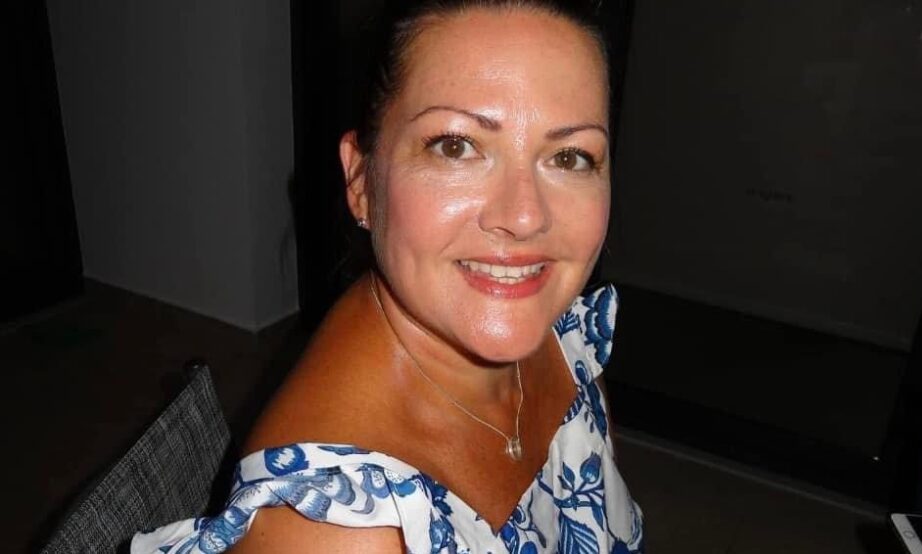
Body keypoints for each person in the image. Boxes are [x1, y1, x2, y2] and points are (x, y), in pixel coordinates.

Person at [132, 1, 643, 552]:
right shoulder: (339, 533)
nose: (525, 219)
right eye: (456, 146)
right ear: (361, 181)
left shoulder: (551, 320)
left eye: (569, 157)